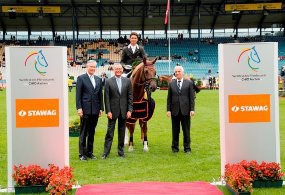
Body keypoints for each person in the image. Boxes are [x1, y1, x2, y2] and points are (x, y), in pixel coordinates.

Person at [102, 63, 133, 159]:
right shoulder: (108, 81)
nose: (118, 70)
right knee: (109, 132)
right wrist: (108, 111)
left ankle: (121, 151)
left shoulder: (127, 81)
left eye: (120, 69)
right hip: (113, 111)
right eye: (116, 69)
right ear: (113, 70)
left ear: (122, 70)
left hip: (124, 111)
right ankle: (106, 152)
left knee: (122, 132)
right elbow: (106, 98)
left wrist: (129, 110)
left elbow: (130, 97)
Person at [76, 60, 104, 161]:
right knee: (83, 132)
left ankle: (89, 152)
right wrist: (79, 108)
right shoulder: (81, 78)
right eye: (90, 66)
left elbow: (100, 95)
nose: (92, 68)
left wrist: (101, 108)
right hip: (85, 109)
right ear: (87, 67)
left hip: (95, 110)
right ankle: (82, 154)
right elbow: (78, 95)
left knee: (92, 132)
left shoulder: (98, 79)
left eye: (94, 67)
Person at [166, 66, 195, 154]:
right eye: (176, 71)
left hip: (185, 110)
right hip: (174, 111)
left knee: (186, 130)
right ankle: (175, 148)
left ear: (182, 72)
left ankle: (187, 148)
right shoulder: (171, 83)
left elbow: (192, 97)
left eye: (179, 71)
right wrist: (168, 110)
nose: (177, 73)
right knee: (175, 130)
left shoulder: (189, 83)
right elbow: (169, 98)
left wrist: (192, 109)